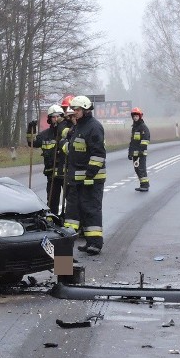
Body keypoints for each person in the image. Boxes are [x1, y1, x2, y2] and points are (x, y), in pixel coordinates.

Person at [64, 95, 106, 255]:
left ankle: (96, 243)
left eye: (77, 109)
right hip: (77, 179)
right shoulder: (78, 127)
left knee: (91, 209)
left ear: (86, 110)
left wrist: (90, 175)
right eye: (73, 109)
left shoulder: (94, 127)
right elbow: (74, 152)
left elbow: (98, 154)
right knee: (77, 210)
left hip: (92, 179)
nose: (74, 112)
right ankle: (87, 242)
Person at [27, 104, 66, 214]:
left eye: (58, 116)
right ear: (49, 119)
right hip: (52, 174)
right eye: (53, 117)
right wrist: (30, 130)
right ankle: (53, 221)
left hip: (65, 174)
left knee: (70, 200)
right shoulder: (45, 135)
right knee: (52, 201)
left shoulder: (66, 133)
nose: (56, 119)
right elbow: (32, 143)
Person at [128, 107, 150, 191]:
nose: (135, 117)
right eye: (134, 116)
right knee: (137, 169)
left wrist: (141, 151)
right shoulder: (134, 128)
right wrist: (130, 153)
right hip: (135, 154)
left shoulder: (143, 127)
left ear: (140, 116)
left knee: (141, 169)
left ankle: (145, 186)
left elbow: (145, 140)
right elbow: (132, 142)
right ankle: (142, 184)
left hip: (141, 154)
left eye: (136, 116)